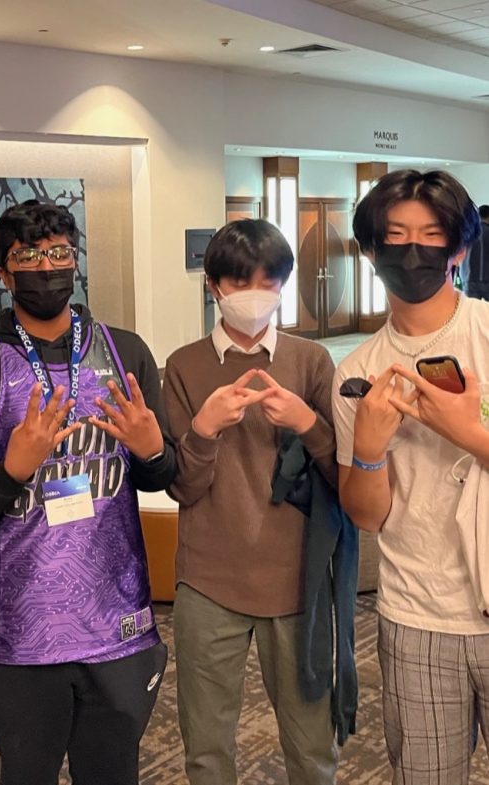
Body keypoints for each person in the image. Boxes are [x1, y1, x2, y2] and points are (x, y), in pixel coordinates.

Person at [0, 200, 174, 785]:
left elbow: (159, 477)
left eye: (59, 254)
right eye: (28, 257)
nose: (46, 266)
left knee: (112, 774)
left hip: (116, 620)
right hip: (20, 628)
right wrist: (12, 470)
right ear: (3, 272)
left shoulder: (126, 353)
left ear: (75, 261)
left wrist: (151, 449)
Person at [163, 219, 341, 785]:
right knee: (207, 750)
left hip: (296, 582)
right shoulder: (185, 366)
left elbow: (343, 474)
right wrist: (203, 430)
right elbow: (181, 488)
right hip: (207, 582)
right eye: (241, 282)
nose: (255, 295)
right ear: (214, 286)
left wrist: (310, 423)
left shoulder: (310, 362)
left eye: (270, 281)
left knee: (313, 748)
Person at [333, 169, 489, 784]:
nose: (413, 251)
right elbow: (367, 514)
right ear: (371, 251)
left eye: (431, 235)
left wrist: (469, 432)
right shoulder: (359, 370)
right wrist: (369, 449)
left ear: (459, 249)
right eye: (395, 236)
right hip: (417, 614)